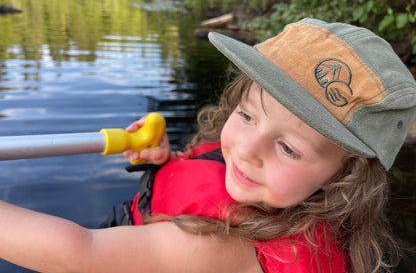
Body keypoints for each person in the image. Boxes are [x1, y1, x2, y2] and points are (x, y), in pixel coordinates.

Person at [0, 18, 415, 273]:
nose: (247, 148)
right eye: (248, 115)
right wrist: (167, 164)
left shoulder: (228, 253)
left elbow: (79, 253)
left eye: (288, 148)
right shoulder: (279, 186)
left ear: (344, 179)